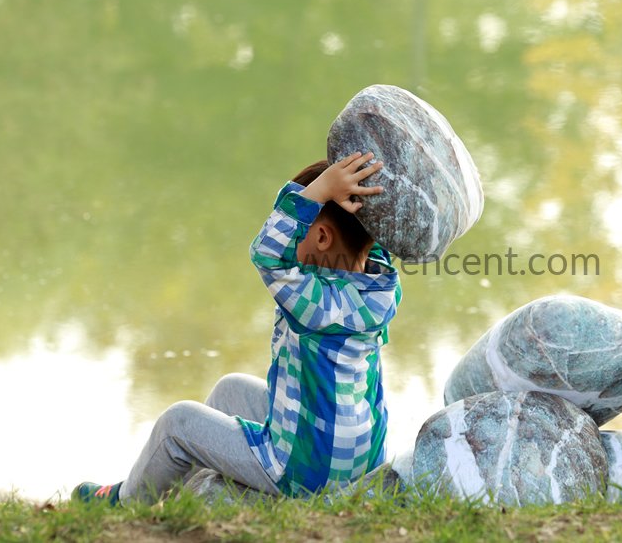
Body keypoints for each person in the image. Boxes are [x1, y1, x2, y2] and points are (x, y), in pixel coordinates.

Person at [72, 152, 401, 504]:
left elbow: (268, 253)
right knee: (230, 391)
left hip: (307, 469)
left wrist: (321, 191)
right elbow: (358, 235)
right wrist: (332, 191)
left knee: (177, 423)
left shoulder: (313, 300)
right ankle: (181, 490)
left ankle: (124, 502)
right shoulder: (381, 287)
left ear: (321, 238)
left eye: (299, 229)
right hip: (359, 457)